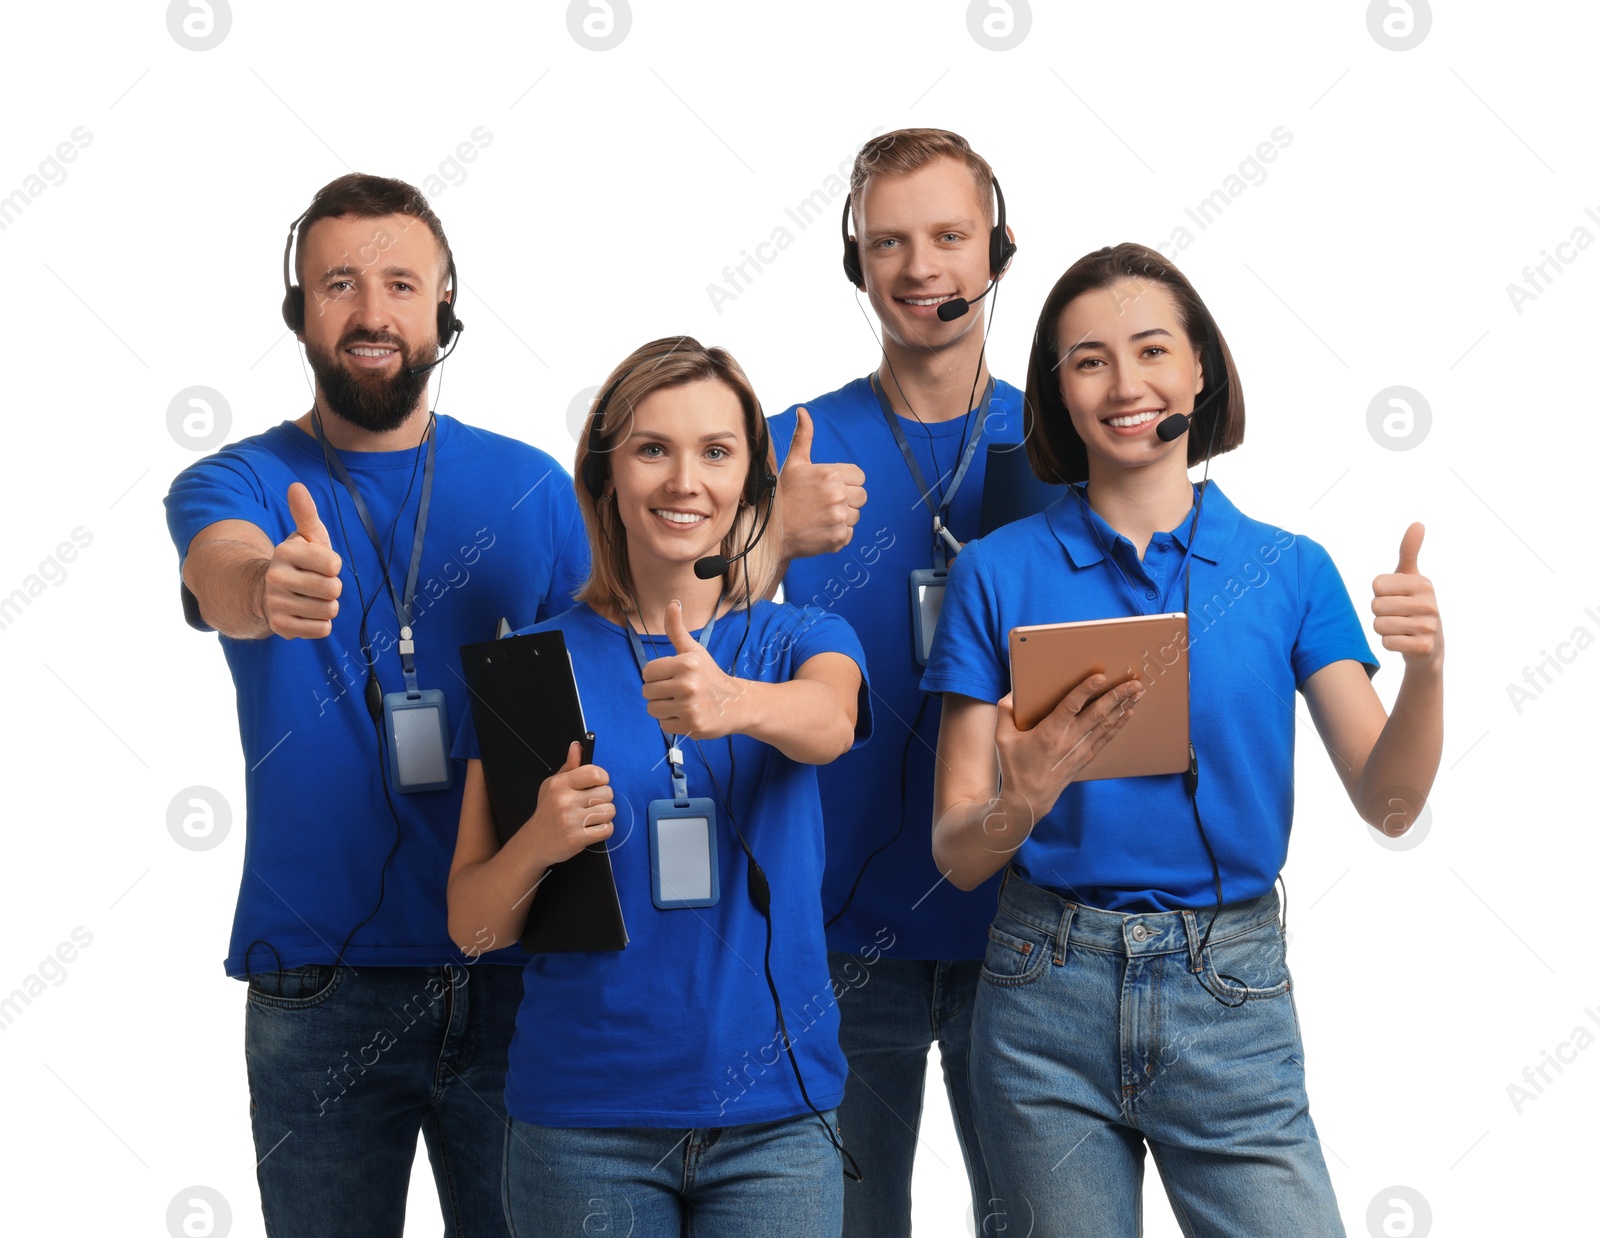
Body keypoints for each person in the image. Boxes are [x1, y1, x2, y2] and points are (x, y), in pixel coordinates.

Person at [923, 243, 1444, 1237]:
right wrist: (1019, 798)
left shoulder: (1290, 568)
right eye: (1087, 360)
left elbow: (1390, 802)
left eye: (1152, 349)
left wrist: (1426, 670)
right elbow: (956, 853)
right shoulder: (994, 573)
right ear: (1057, 393)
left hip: (1230, 988)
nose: (1125, 384)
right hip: (1042, 992)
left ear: (1200, 369)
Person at [164, 173, 589, 1237]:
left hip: (517, 970)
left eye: (401, 283)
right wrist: (263, 589)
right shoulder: (240, 480)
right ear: (298, 311)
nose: (370, 311)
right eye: (338, 282)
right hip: (319, 980)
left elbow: (623, 659)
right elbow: (220, 567)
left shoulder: (536, 488)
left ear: (447, 311)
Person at [447, 336, 873, 1237]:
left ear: (752, 484)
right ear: (606, 475)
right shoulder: (531, 667)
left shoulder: (802, 638)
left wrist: (732, 702)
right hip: (582, 1127)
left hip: (777, 1123)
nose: (686, 482)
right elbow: (473, 925)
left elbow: (829, 724)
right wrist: (540, 843)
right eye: (653, 449)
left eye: (716, 452)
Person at [766, 127, 1023, 1236]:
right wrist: (771, 538)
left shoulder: (1069, 440)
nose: (921, 267)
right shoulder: (786, 447)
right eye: (889, 242)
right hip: (832, 928)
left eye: (948, 237)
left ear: (997, 252)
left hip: (1028, 923)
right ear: (855, 264)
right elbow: (655, 636)